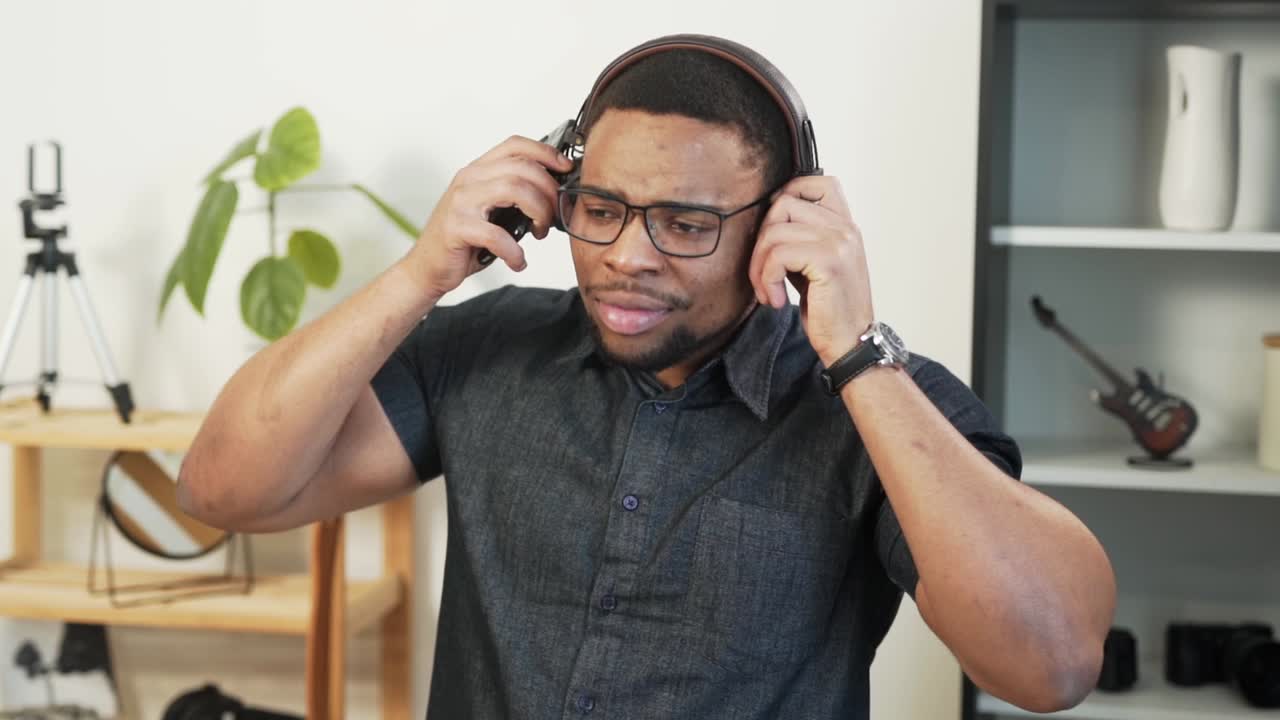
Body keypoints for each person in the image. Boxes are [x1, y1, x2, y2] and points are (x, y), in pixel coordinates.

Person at [177, 35, 1116, 719]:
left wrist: (858, 348)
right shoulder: (488, 349)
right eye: (603, 208)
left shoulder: (881, 406)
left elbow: (1052, 665)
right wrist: (422, 271)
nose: (629, 255)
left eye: (687, 223)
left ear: (780, 222)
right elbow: (224, 489)